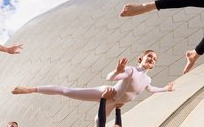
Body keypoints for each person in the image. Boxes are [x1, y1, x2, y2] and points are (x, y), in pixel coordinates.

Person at [12, 50, 174, 119]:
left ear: (153, 65)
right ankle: (30, 89)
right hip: (107, 92)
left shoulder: (148, 80)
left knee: (99, 123)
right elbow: (110, 77)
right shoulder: (131, 70)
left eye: (154, 59)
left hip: (114, 102)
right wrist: (117, 71)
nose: (151, 59)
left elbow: (152, 89)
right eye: (149, 56)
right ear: (141, 58)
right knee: (67, 92)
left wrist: (166, 89)